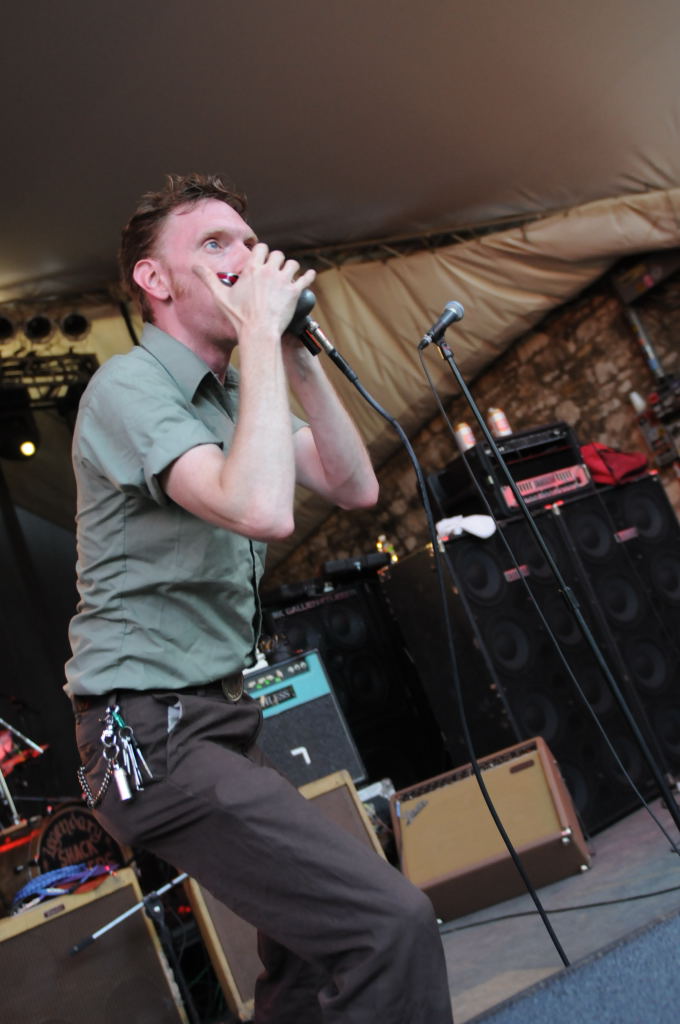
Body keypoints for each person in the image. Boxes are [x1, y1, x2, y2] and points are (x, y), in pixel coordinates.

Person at [65, 173, 454, 1024]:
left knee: (310, 955)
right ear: (154, 280)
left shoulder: (240, 396)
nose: (245, 256)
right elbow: (261, 508)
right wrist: (255, 337)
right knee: (389, 924)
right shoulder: (127, 388)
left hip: (217, 717)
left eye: (247, 240)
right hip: (144, 733)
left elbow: (353, 485)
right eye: (214, 243)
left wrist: (295, 353)